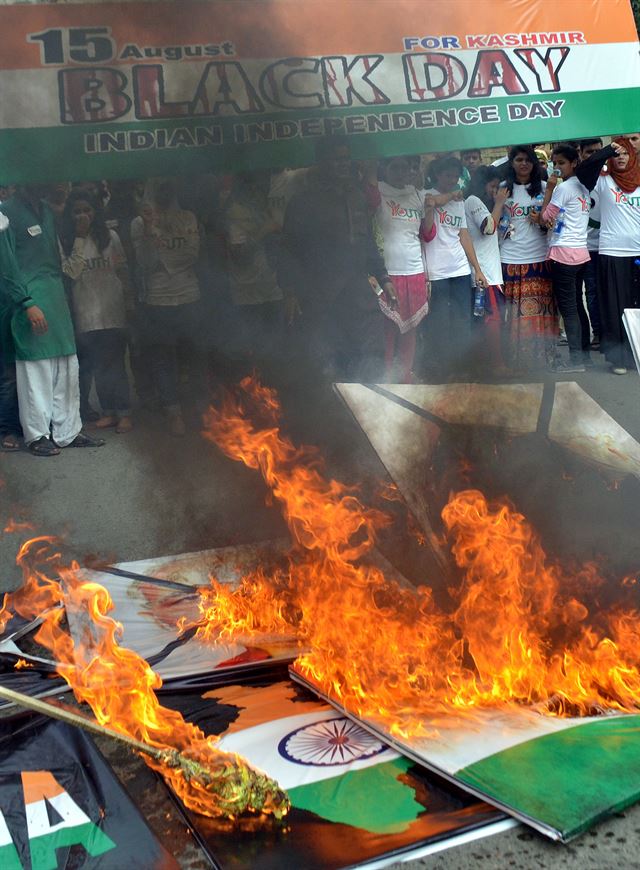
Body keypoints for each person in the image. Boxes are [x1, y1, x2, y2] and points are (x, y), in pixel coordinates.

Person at [279, 136, 395, 382]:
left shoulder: (357, 197)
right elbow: (289, 249)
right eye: (336, 160)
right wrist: (290, 291)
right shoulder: (303, 202)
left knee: (370, 354)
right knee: (329, 362)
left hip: (357, 293)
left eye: (346, 159)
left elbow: (367, 242)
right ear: (321, 162)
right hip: (320, 294)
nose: (343, 165)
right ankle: (332, 414)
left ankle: (372, 410)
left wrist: (384, 277)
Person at [0, 185, 103, 455]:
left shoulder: (46, 211)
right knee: (36, 368)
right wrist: (26, 303)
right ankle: (37, 436)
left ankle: (68, 431)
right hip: (30, 299)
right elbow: (6, 265)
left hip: (56, 298)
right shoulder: (5, 212)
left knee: (66, 364)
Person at [131, 178, 204, 435]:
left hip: (188, 296)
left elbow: (192, 254)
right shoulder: (140, 223)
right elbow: (145, 263)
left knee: (192, 354)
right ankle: (173, 412)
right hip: (157, 300)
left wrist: (167, 262)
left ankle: (197, 407)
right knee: (163, 358)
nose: (164, 191)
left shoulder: (187, 218)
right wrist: (151, 231)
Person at [59, 190, 133, 433]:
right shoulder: (67, 240)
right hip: (87, 313)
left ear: (96, 212)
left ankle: (124, 413)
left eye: (87, 210)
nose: (82, 215)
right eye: (77, 211)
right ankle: (109, 411)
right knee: (98, 365)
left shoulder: (110, 237)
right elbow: (71, 273)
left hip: (113, 311)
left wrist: (129, 301)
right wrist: (79, 238)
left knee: (116, 365)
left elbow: (121, 270)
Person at [366, 156, 435, 383]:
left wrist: (430, 210)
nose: (400, 172)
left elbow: (427, 234)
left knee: (411, 326)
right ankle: (386, 376)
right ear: (385, 169)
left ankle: (405, 375)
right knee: (388, 327)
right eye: (394, 167)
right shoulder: (379, 192)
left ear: (411, 171)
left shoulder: (416, 195)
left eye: (404, 168)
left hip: (414, 270)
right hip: (387, 272)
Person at [420, 155, 488, 378]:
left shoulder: (458, 202)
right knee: (439, 321)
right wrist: (450, 196)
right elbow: (428, 222)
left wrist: (477, 268)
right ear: (437, 174)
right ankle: (440, 366)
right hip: (436, 271)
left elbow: (464, 235)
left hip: (459, 269)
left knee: (462, 320)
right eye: (448, 175)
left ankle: (461, 366)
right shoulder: (424, 195)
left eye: (456, 176)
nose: (452, 180)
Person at [498, 145, 557, 372]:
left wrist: (541, 220)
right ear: (511, 163)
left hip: (538, 256)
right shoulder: (504, 189)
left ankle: (541, 358)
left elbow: (554, 223)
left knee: (541, 310)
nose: (524, 164)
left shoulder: (544, 188)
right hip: (510, 257)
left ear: (534, 164)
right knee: (514, 313)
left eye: (528, 160)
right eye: (519, 160)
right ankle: (516, 360)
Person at [223, 171, 285, 376]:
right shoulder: (236, 212)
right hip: (247, 294)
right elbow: (239, 254)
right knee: (249, 353)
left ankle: (271, 399)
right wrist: (264, 230)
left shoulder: (266, 210)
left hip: (272, 289)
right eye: (257, 186)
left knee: (274, 351)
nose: (261, 190)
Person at [540, 144, 594, 372]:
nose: (556, 167)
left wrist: (550, 189)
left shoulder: (563, 189)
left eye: (561, 162)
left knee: (569, 308)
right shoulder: (583, 187)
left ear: (574, 163)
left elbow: (545, 217)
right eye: (554, 163)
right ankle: (584, 354)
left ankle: (576, 360)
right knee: (578, 307)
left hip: (563, 254)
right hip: (581, 252)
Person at [594, 137, 640, 374]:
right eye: (616, 154)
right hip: (613, 252)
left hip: (638, 252)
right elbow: (584, 169)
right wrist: (605, 151)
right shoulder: (603, 181)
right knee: (616, 307)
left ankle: (636, 355)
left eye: (625, 153)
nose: (621, 157)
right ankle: (619, 358)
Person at [464, 165, 510, 372]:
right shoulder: (474, 201)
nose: (496, 191)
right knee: (492, 320)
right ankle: (497, 365)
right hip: (485, 274)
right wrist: (499, 203)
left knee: (489, 320)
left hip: (490, 272)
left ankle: (487, 364)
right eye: (493, 186)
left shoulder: (483, 204)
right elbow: (488, 227)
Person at [579, 138, 604, 348]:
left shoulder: (611, 177)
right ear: (580, 154)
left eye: (599, 152)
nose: (595, 156)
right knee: (592, 291)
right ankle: (597, 332)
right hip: (585, 247)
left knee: (610, 290)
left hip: (608, 246)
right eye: (590, 152)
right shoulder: (578, 180)